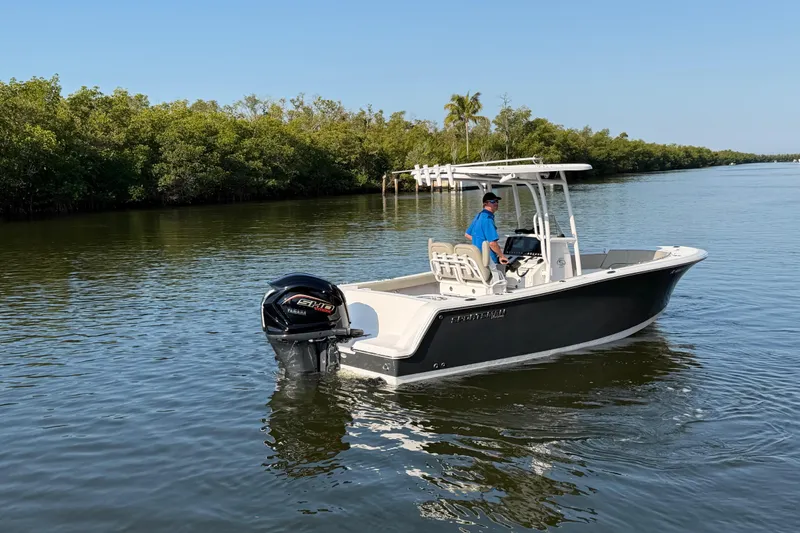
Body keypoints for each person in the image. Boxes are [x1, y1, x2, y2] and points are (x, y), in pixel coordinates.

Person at [465, 192, 509, 273]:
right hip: (489, 262)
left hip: (477, 260)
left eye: (497, 201)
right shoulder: (487, 219)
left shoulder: (479, 216)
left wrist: (480, 242)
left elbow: (467, 234)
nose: (496, 203)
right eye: (493, 201)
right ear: (485, 204)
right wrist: (501, 256)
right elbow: (492, 243)